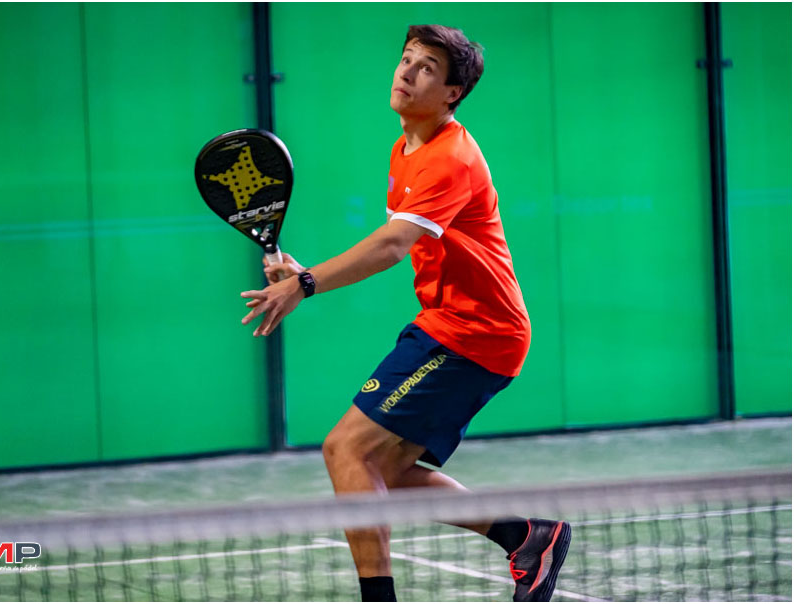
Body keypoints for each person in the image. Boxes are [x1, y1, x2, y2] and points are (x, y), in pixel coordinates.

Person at [240, 24, 570, 603]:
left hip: (477, 332)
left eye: (426, 68)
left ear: (452, 93)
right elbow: (401, 239)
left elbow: (393, 246)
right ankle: (528, 537)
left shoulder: (451, 158)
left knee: (346, 449)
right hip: (447, 322)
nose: (407, 72)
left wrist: (306, 284)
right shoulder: (406, 148)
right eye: (407, 60)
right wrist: (302, 272)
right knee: (378, 469)